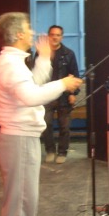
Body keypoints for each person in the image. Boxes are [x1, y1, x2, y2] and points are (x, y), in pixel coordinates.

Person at [0, 12, 82, 216]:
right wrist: (63, 83)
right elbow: (31, 96)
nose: (32, 33)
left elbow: (33, 85)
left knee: (26, 199)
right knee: (21, 200)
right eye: (28, 29)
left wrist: (43, 59)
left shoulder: (14, 62)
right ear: (18, 34)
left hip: (22, 138)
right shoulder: (10, 64)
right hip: (18, 139)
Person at [40, 25, 80, 164]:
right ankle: (50, 151)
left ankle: (62, 152)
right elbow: (36, 73)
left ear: (61, 37)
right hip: (46, 95)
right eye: (52, 35)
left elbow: (74, 74)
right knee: (46, 124)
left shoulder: (69, 54)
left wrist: (73, 93)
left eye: (58, 35)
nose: (55, 37)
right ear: (48, 36)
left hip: (64, 95)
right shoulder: (42, 53)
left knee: (64, 126)